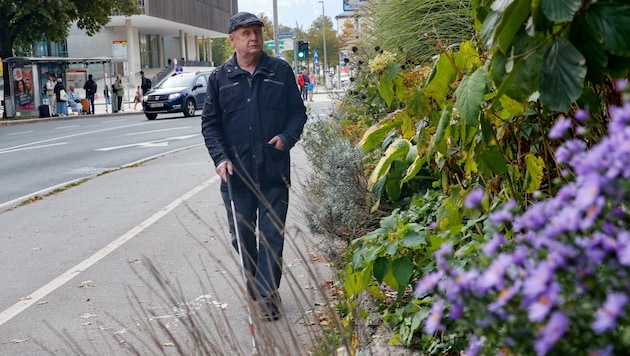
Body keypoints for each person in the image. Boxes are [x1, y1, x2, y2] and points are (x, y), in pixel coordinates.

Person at [201, 12, 307, 322]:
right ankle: (259, 286)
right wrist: (220, 158)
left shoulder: (280, 71)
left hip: (274, 170)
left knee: (272, 236)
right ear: (232, 39)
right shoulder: (220, 78)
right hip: (237, 174)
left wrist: (287, 138)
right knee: (243, 237)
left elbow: (297, 114)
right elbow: (210, 124)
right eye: (246, 33)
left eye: (257, 31)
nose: (254, 38)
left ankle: (266, 295)